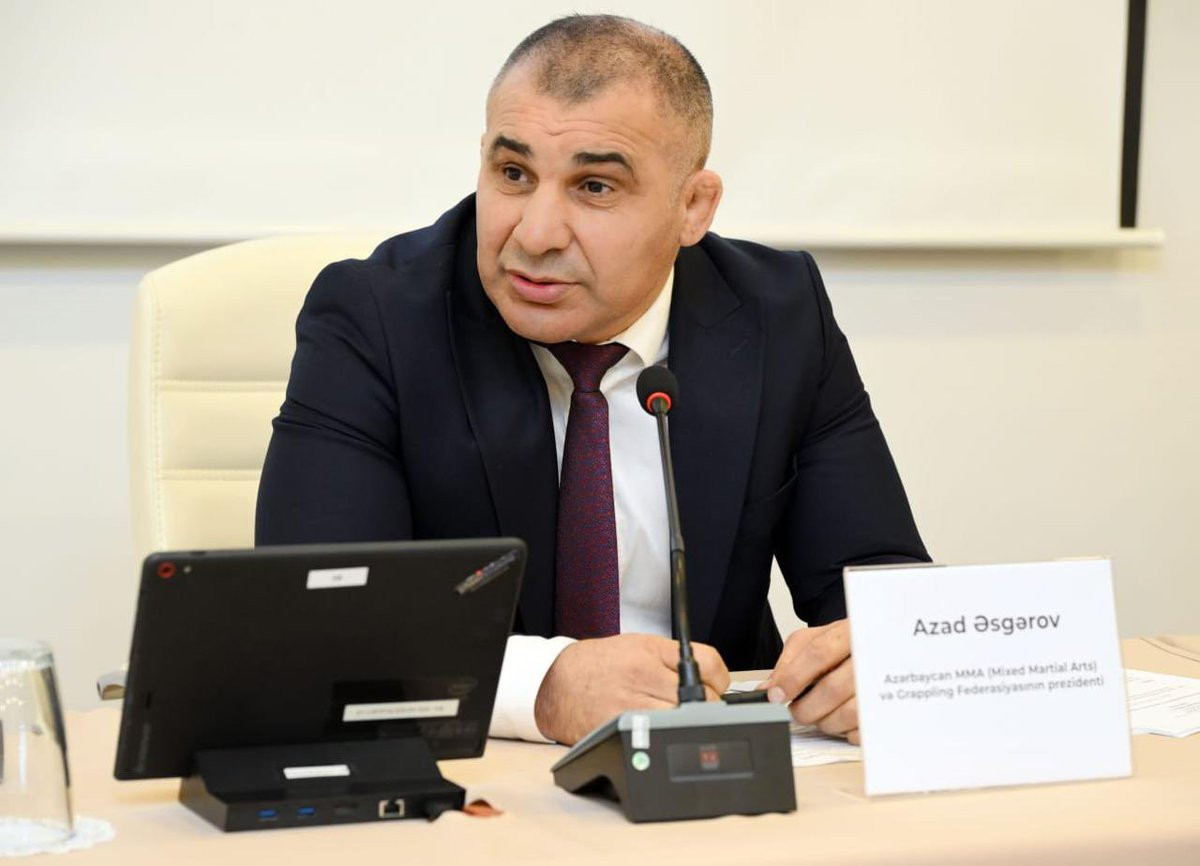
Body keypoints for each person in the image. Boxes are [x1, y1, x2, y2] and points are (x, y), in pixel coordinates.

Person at [255, 14, 928, 746]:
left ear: (692, 207)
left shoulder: (778, 313)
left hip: (715, 771)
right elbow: (318, 618)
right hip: (474, 769)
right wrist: (542, 687)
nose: (535, 234)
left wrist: (880, 654)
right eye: (513, 175)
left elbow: (880, 578)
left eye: (595, 186)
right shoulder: (377, 317)